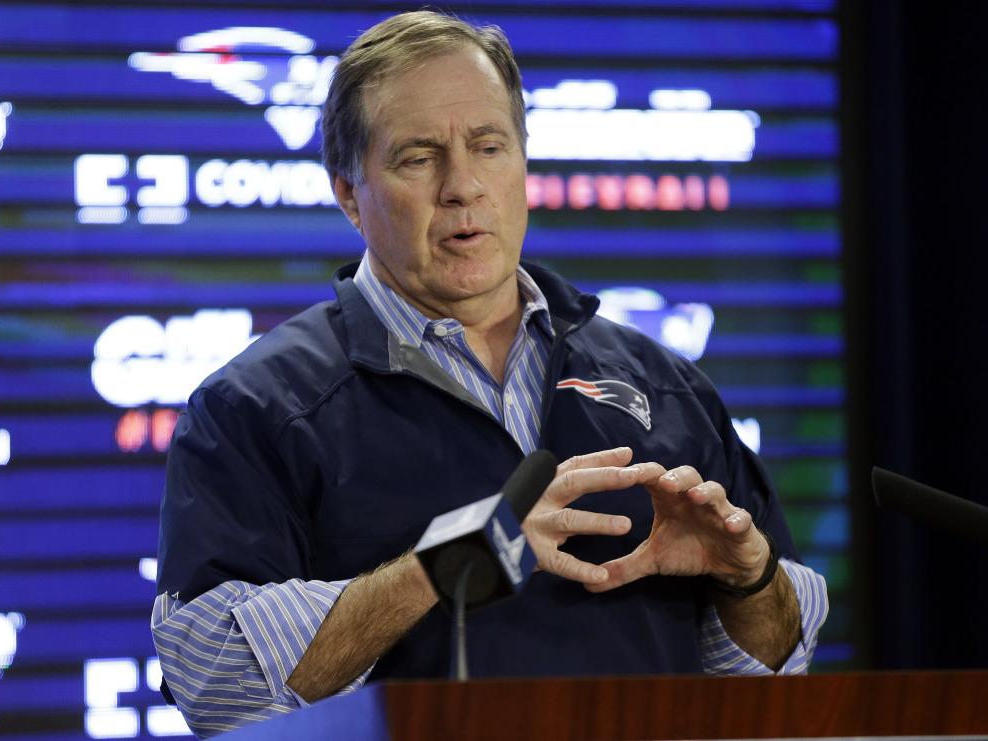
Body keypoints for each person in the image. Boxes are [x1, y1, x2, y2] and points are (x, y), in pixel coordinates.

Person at [152, 10, 828, 738]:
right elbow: (214, 687)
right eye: (417, 157)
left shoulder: (665, 384)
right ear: (349, 193)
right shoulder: (257, 405)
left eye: (488, 146)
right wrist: (438, 569)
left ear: (522, 163)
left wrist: (747, 579)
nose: (463, 186)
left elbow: (769, 672)